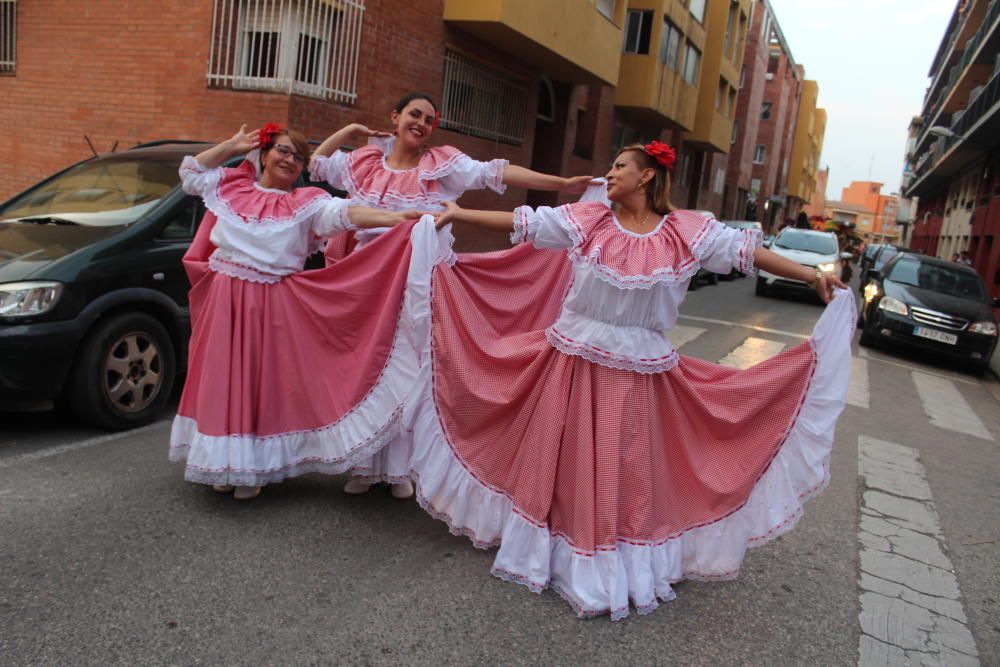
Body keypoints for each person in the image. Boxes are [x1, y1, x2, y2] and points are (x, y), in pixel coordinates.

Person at [403, 141, 855, 619]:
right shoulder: (589, 220)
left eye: (620, 166)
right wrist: (458, 213)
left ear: (646, 177)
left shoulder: (686, 232)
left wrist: (811, 277)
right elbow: (525, 221)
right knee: (560, 458)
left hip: (638, 373)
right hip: (571, 361)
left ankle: (606, 556)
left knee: (620, 466)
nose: (610, 172)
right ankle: (550, 548)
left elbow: (750, 255)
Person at [309, 92, 597, 498]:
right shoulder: (364, 165)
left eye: (428, 119)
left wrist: (562, 183)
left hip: (418, 285)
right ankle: (365, 464)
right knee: (369, 370)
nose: (421, 123)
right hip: (368, 288)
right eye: (414, 114)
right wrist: (354, 131)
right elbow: (317, 164)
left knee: (412, 370)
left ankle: (401, 469)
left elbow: (498, 172)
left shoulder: (440, 166)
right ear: (394, 117)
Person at [168, 124, 429, 500]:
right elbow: (191, 173)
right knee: (222, 380)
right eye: (283, 151)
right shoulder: (231, 187)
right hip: (224, 298)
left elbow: (349, 213)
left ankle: (251, 469)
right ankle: (223, 463)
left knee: (260, 384)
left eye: (298, 156)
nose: (291, 160)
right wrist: (230, 145)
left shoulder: (306, 203)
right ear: (264, 154)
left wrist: (398, 219)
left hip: (269, 303)